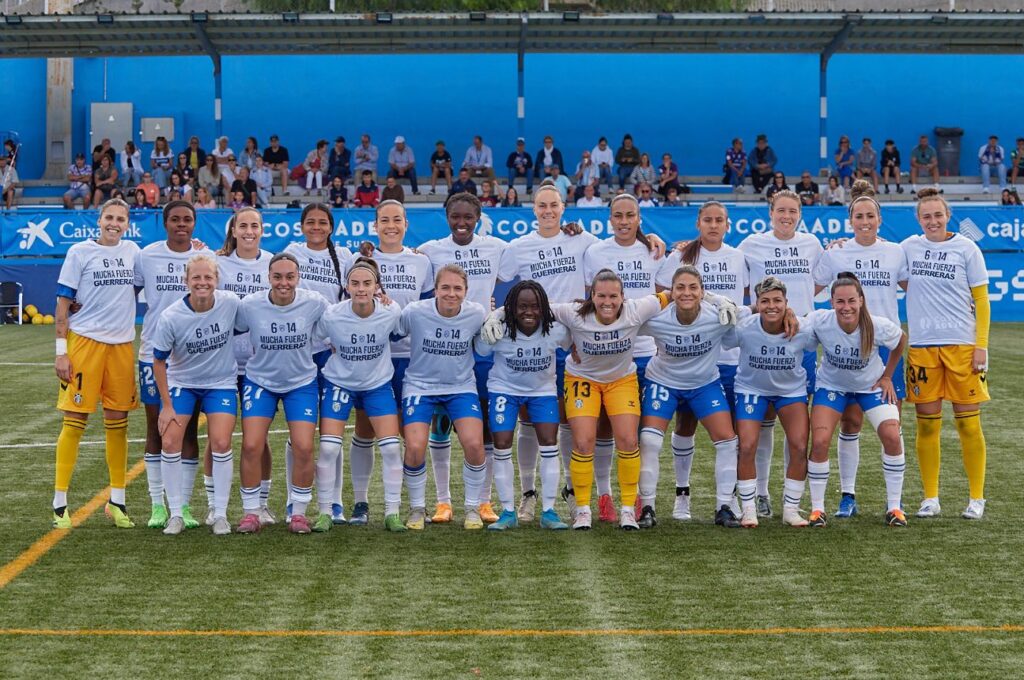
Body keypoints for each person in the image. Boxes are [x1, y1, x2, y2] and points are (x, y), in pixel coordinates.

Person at [418, 193, 518, 524]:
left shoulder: (497, 247)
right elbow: (402, 260)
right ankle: (443, 502)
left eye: (468, 218)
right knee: (441, 424)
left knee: (485, 427)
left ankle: (484, 501)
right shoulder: (432, 250)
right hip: (445, 346)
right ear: (446, 216)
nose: (461, 223)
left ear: (478, 218)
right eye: (455, 217)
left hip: (484, 346)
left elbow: (538, 252)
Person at [545, 270, 670, 530]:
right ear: (592, 295)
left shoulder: (636, 309)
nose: (607, 302)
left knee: (628, 439)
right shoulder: (574, 313)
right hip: (582, 379)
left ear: (623, 297)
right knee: (583, 442)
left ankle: (627, 509)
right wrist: (499, 313)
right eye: (601, 295)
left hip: (621, 380)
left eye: (613, 296)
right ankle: (582, 510)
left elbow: (671, 294)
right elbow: (537, 305)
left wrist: (714, 299)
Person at [812, 180, 908, 519]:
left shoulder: (896, 252)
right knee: (850, 424)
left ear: (879, 219)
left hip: (881, 349)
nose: (865, 221)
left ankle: (895, 501)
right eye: (858, 217)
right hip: (844, 348)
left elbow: (916, 289)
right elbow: (810, 286)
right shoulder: (836, 252)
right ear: (849, 220)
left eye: (870, 216)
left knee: (891, 427)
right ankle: (847, 497)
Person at [581, 194, 674, 523]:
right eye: (617, 215)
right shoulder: (595, 252)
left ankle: (636, 497)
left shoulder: (653, 250)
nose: (623, 221)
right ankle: (604, 494)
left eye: (630, 215)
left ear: (639, 218)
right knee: (604, 429)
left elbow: (667, 294)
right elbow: (587, 299)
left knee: (635, 433)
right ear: (609, 219)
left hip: (644, 352)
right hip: (604, 351)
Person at [52, 198, 140, 529]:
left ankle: (117, 501)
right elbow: (62, 305)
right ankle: (60, 503)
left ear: (127, 224)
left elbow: (157, 276)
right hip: (84, 345)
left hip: (121, 345)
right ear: (99, 220)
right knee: (75, 420)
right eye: (109, 217)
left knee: (118, 423)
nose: (114, 223)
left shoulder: (133, 252)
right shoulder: (80, 253)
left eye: (120, 219)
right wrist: (62, 351)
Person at [903, 188, 991, 520]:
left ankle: (976, 498)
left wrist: (981, 344)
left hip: (963, 347)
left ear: (947, 215)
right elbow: (880, 260)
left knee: (969, 426)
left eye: (937, 215)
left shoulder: (967, 248)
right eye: (926, 216)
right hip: (923, 347)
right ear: (918, 219)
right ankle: (930, 498)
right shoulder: (909, 248)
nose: (932, 221)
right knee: (927, 427)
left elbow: (981, 301)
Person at [657, 202, 747, 522]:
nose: (712, 225)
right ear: (697, 223)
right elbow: (662, 297)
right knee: (686, 423)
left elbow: (745, 299)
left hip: (730, 358)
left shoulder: (739, 257)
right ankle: (682, 494)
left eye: (718, 220)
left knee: (731, 430)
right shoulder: (680, 256)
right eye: (707, 219)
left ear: (727, 225)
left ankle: (730, 497)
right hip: (691, 357)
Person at [738, 189, 824, 518]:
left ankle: (792, 499)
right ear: (770, 213)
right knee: (763, 424)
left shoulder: (812, 244)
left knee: (796, 427)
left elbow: (818, 283)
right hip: (763, 340)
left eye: (793, 211)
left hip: (798, 343)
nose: (787, 216)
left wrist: (795, 314)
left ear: (800, 214)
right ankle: (760, 493)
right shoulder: (751, 245)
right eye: (781, 211)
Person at [638, 265, 741, 528]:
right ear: (670, 292)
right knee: (649, 440)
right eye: (680, 287)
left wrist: (721, 301)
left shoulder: (718, 315)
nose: (686, 293)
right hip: (663, 381)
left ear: (702, 291)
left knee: (728, 441)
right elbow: (624, 319)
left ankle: (724, 507)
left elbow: (755, 317)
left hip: (704, 383)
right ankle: (646, 506)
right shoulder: (657, 318)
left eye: (693, 287)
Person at [351, 200, 433, 525]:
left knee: (408, 433)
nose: (391, 225)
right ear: (375, 225)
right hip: (373, 357)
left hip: (413, 358)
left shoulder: (422, 261)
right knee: (365, 430)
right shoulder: (363, 259)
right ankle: (360, 502)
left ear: (406, 223)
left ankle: (411, 504)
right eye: (384, 220)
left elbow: (428, 306)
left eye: (397, 219)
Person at [235, 252, 328, 534]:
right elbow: (228, 322)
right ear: (268, 278)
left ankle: (298, 512)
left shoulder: (314, 303)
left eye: (290, 277)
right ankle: (252, 511)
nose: (283, 282)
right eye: (277, 276)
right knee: (252, 445)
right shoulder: (250, 305)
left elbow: (343, 318)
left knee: (303, 446)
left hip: (301, 382)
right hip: (260, 381)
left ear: (298, 278)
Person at [806, 273, 908, 527]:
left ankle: (895, 507)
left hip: (870, 386)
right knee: (819, 441)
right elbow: (797, 327)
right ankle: (819, 509)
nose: (846, 307)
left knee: (892, 435)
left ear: (861, 300)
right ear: (831, 302)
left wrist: (887, 377)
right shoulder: (820, 321)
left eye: (852, 300)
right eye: (840, 301)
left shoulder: (877, 325)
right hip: (832, 386)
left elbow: (900, 341)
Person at [314, 258, 406, 532]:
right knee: (329, 448)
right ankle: (325, 511)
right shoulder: (333, 314)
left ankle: (392, 512)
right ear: (347, 286)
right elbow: (316, 338)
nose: (361, 288)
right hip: (339, 384)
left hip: (377, 385)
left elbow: (400, 332)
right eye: (355, 283)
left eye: (367, 283)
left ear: (377, 286)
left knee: (390, 447)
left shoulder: (390, 311)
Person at [152, 253, 240, 536]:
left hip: (221, 382)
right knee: (170, 441)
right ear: (186, 281)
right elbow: (158, 361)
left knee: (221, 441)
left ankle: (221, 513)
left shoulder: (231, 303)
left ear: (217, 280)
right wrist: (166, 405)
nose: (202, 282)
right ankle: (176, 513)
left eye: (208, 277)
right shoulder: (171, 317)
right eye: (196, 277)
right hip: (183, 383)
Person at [475, 282, 571, 530]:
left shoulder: (556, 330)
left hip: (542, 391)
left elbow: (574, 342)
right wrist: (492, 318)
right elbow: (481, 349)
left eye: (535, 306)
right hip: (504, 390)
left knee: (550, 443)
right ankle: (508, 512)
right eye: (522, 306)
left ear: (544, 308)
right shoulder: (500, 328)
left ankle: (549, 511)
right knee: (502, 442)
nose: (529, 312)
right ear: (511, 309)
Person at [398, 264, 488, 530]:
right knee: (414, 446)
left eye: (457, 288)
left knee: (474, 444)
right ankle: (417, 508)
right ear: (435, 289)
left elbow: (482, 344)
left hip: (460, 386)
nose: (451, 293)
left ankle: (472, 508)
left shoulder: (476, 313)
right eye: (445, 287)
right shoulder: (415, 311)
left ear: (466, 291)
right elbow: (394, 330)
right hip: (419, 386)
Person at [725, 276, 815, 527]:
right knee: (747, 445)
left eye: (777, 300)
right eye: (765, 301)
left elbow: (826, 332)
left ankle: (791, 509)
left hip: (790, 391)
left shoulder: (803, 329)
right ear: (756, 304)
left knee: (798, 446)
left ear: (787, 303)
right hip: (751, 389)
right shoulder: (745, 327)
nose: (771, 306)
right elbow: (723, 333)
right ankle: (749, 508)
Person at [134, 201, 202, 528]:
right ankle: (156, 505)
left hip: (192, 360)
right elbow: (125, 291)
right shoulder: (146, 256)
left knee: (187, 431)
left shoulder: (204, 258)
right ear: (165, 223)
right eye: (175, 219)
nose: (181, 224)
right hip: (152, 354)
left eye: (187, 219)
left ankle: (184, 506)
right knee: (156, 429)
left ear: (194, 223)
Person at [284, 203, 351, 523]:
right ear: (301, 226)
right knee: (297, 433)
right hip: (295, 350)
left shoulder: (346, 257)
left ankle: (334, 501)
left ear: (331, 227)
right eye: (310, 222)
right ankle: (291, 499)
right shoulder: (292, 250)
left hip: (330, 352)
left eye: (322, 222)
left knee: (329, 432)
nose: (316, 227)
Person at [216, 207, 277, 524]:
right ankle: (216, 506)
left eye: (255, 225)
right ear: (234, 230)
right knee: (219, 438)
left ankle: (262, 503)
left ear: (262, 230)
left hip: (260, 365)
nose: (249, 231)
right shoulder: (219, 262)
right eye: (243, 225)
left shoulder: (273, 263)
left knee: (258, 438)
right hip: (223, 363)